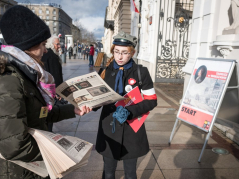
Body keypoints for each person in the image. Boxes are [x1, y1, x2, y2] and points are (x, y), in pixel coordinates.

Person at [0, 6, 92, 179]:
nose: (46, 50)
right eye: (43, 44)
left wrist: (71, 109)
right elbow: (13, 145)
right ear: (28, 46)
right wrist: (55, 153)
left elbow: (38, 113)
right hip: (19, 172)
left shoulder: (25, 73)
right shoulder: (9, 80)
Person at [94, 31, 157, 179]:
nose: (120, 57)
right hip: (109, 126)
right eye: (116, 52)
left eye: (124, 53)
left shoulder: (141, 72)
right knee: (108, 172)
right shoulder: (104, 71)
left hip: (131, 129)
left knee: (130, 173)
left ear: (132, 52)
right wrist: (86, 103)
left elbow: (151, 100)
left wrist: (131, 111)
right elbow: (96, 100)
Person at [41, 35, 63, 132]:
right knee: (50, 114)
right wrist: (59, 92)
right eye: (57, 44)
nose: (59, 46)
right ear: (51, 44)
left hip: (42, 91)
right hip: (50, 92)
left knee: (43, 114)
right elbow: (56, 76)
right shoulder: (52, 56)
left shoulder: (43, 55)